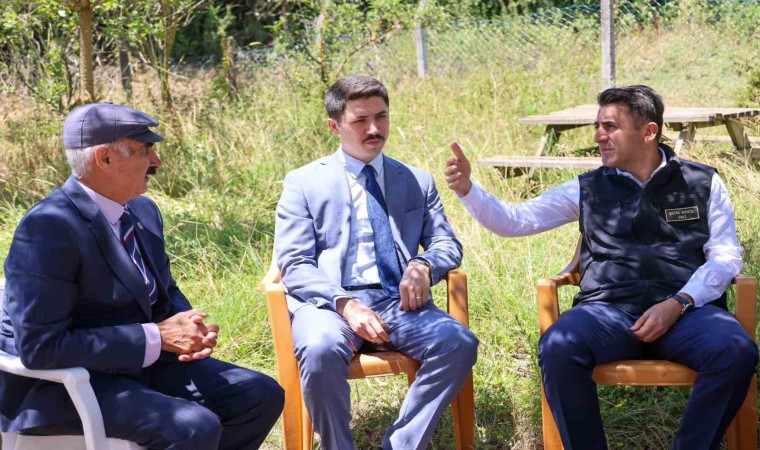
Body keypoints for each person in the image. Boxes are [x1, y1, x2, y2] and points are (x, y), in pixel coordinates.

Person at [446, 85, 758, 450]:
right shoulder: (588, 188)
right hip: (608, 314)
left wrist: (680, 302)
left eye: (610, 126)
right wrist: (468, 189)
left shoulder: (702, 182)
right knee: (559, 346)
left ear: (648, 131)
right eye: (597, 126)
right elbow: (515, 220)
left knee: (735, 350)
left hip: (689, 313)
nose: (598, 136)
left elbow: (725, 256)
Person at [0, 103, 284, 449]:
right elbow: (41, 347)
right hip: (65, 385)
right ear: (105, 158)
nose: (157, 162)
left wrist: (188, 325)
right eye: (144, 150)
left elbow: (163, 291)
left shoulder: (142, 209)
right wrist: (156, 337)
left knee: (260, 395)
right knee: (193, 426)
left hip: (137, 365)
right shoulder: (49, 227)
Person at [275, 75, 478, 449]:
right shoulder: (304, 182)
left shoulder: (416, 180)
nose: (374, 129)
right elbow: (295, 262)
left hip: (398, 303)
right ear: (334, 126)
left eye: (381, 117)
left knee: (458, 342)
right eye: (360, 120)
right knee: (319, 348)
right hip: (329, 304)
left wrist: (424, 265)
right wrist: (344, 303)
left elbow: (446, 243)